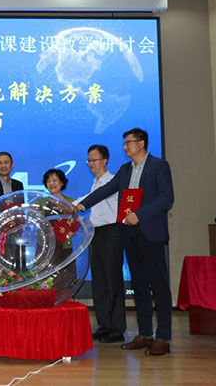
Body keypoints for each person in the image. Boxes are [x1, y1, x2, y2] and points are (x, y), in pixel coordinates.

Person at [76, 128, 174, 356]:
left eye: (128, 143)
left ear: (141, 143)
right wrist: (82, 205)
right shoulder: (125, 170)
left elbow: (166, 198)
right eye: (125, 143)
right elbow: (107, 189)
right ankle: (145, 334)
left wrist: (139, 214)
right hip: (129, 233)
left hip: (151, 232)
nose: (125, 147)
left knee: (159, 287)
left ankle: (163, 337)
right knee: (139, 286)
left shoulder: (159, 166)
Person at [74, 145, 125, 344]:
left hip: (111, 233)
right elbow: (85, 199)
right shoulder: (95, 183)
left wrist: (76, 205)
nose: (91, 164)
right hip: (96, 234)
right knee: (100, 281)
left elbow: (89, 201)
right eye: (89, 161)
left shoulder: (112, 181)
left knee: (113, 280)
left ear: (105, 160)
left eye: (94, 160)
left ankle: (117, 328)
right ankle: (105, 324)